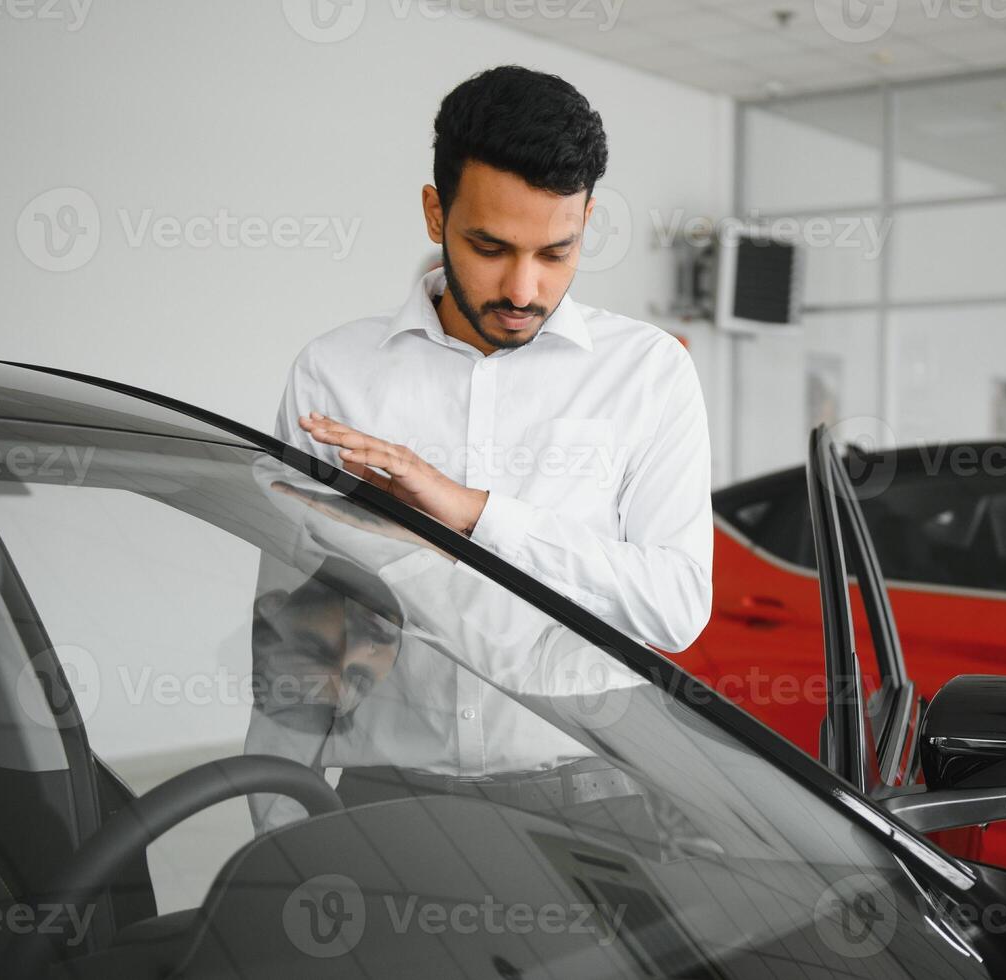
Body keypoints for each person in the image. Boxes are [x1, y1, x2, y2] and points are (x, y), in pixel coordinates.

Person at [252, 65, 712, 827]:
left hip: (590, 806)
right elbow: (299, 618)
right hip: (387, 805)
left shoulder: (647, 372)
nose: (523, 289)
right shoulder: (335, 374)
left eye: (555, 253)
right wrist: (273, 824)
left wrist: (475, 514)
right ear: (436, 213)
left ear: (587, 221)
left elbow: (674, 605)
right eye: (490, 247)